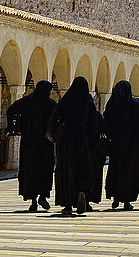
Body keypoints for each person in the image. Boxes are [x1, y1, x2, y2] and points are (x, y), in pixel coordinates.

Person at [47, 76, 103, 215]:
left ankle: (67, 205)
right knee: (84, 169)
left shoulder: (65, 102)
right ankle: (83, 192)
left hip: (66, 144)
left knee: (66, 171)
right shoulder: (88, 104)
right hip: (84, 143)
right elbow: (95, 126)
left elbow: (53, 120)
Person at [5, 80, 55, 212]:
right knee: (44, 171)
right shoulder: (50, 104)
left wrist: (18, 127)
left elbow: (11, 110)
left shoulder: (27, 101)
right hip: (45, 144)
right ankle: (43, 196)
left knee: (30, 171)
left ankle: (33, 201)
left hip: (29, 143)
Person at [103, 80, 139, 211]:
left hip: (117, 146)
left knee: (116, 170)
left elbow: (106, 123)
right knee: (130, 173)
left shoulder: (112, 104)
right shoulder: (137, 104)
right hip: (133, 146)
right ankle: (127, 201)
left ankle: (115, 198)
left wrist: (112, 136)